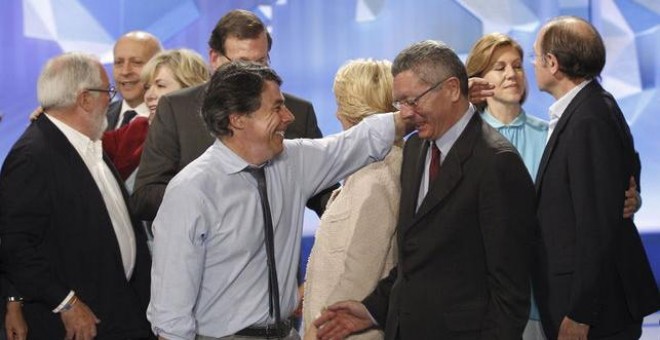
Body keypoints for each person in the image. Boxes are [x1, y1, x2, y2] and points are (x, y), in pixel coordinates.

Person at [146, 61, 410, 339]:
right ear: (237, 119)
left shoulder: (292, 161)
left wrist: (409, 115)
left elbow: (355, 143)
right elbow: (171, 313)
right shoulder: (191, 191)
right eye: (276, 108)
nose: (289, 117)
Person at [314, 40, 536, 339]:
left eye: (413, 101)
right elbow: (414, 262)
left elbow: (510, 292)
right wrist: (370, 309)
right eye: (399, 103)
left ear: (453, 89)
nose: (406, 113)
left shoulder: (496, 163)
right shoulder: (416, 149)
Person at [465, 32, 644, 340]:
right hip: (488, 300)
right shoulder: (465, 142)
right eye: (499, 67)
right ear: (478, 79)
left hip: (549, 296)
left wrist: (630, 198)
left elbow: (599, 190)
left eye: (519, 65)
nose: (512, 74)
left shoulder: (554, 132)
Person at [0, 52, 152, 339]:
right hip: (77, 324)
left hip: (121, 312)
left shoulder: (89, 143)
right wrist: (65, 302)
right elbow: (15, 246)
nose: (111, 99)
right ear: (84, 99)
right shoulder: (33, 156)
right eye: (107, 91)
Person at [132, 9, 331, 222]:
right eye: (242, 63)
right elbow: (144, 198)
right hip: (204, 249)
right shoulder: (175, 109)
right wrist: (209, 200)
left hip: (276, 252)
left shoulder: (297, 113)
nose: (254, 74)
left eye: (261, 62)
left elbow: (322, 189)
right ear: (214, 58)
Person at [530, 16, 659, 339]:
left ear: (553, 62)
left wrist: (581, 312)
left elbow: (596, 224)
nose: (533, 64)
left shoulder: (588, 119)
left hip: (595, 312)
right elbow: (629, 166)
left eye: (535, 56)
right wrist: (631, 193)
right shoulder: (595, 105)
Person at [302, 59, 401, 340]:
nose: (336, 113)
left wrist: (318, 330)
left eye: (340, 102)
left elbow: (360, 271)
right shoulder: (367, 169)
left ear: (355, 108)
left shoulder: (377, 174)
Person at [103, 48, 209, 184]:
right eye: (147, 87)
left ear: (189, 90)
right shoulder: (138, 128)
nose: (149, 95)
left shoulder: (212, 139)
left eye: (160, 85)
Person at [107, 31, 162, 130]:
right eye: (119, 62)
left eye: (136, 62)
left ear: (158, 67)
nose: (125, 71)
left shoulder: (174, 120)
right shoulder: (97, 116)